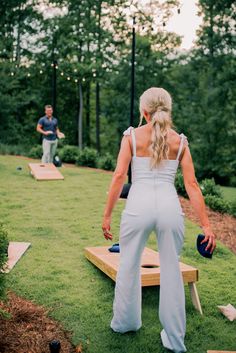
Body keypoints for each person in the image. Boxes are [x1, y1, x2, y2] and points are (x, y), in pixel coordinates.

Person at [102, 87, 216, 353]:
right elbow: (192, 184)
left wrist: (107, 215)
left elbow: (119, 176)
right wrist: (207, 225)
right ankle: (175, 340)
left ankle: (125, 323)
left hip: (137, 206)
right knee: (171, 271)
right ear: (168, 110)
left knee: (128, 264)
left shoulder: (131, 136)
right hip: (169, 208)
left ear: (144, 112)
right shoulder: (181, 142)